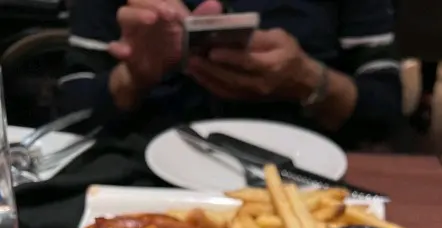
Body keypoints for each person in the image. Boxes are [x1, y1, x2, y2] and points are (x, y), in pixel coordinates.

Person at [58, 0, 404, 149]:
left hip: (307, 178)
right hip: (141, 182)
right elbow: (66, 114)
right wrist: (133, 78)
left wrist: (311, 82)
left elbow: (385, 109)